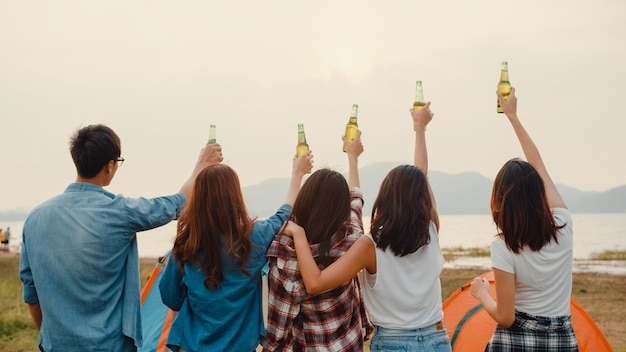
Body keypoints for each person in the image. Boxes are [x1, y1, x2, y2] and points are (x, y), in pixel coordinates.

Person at [19, 124, 223, 352]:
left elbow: (31, 292)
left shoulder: (35, 219)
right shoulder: (120, 212)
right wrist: (202, 164)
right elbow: (178, 203)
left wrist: (50, 339)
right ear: (110, 165)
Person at [280, 104, 452, 352]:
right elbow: (422, 174)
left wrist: (298, 233)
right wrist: (420, 129)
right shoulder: (431, 230)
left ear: (385, 197)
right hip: (437, 339)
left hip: (393, 343)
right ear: (423, 200)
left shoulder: (371, 245)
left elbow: (315, 283)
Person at [158, 152, 313, 352]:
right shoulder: (255, 237)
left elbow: (171, 298)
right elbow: (284, 213)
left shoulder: (186, 244)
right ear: (236, 197)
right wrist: (297, 174)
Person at [470, 88, 578, 351]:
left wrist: (481, 293)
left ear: (500, 203)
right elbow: (539, 166)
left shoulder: (504, 246)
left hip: (517, 342)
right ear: (538, 193)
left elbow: (506, 317)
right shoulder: (564, 224)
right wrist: (513, 117)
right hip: (562, 341)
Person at [261, 132, 372, 351]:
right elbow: (356, 198)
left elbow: (278, 327)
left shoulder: (285, 252)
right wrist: (353, 156)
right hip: (346, 345)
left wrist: (296, 174)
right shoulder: (352, 239)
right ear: (341, 208)